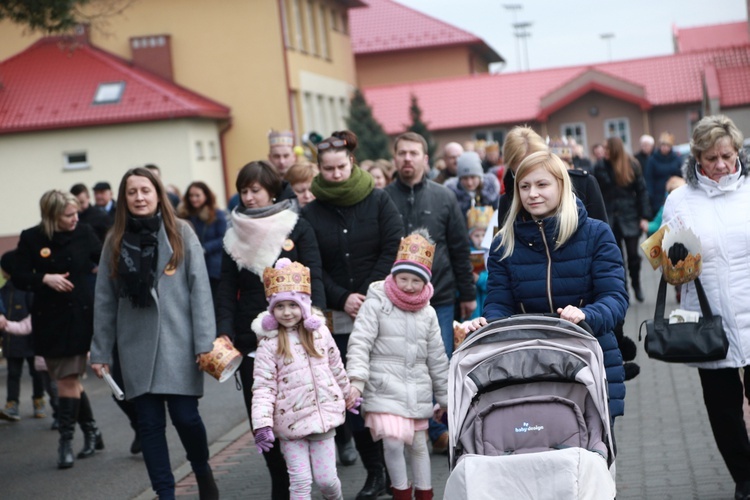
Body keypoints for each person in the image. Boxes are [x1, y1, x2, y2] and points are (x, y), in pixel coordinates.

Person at [90, 167, 219, 500]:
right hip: (135, 347)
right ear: (124, 199)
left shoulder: (181, 232)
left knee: (186, 418)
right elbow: (104, 299)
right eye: (132, 192)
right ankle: (165, 493)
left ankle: (202, 469)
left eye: (145, 190)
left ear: (157, 194)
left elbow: (200, 290)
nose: (139, 197)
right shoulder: (114, 240)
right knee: (149, 425)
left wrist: (205, 343)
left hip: (180, 342)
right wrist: (101, 351)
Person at [474, 151, 628, 421]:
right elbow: (499, 303)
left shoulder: (596, 234)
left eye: (542, 184)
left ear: (561, 185)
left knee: (591, 455)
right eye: (525, 186)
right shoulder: (504, 243)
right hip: (529, 367)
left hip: (587, 362)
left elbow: (614, 298)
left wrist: (586, 315)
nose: (532, 193)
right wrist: (490, 326)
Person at [302, 130, 403, 500]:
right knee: (353, 397)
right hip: (339, 316)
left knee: (388, 391)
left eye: (341, 166)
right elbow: (311, 265)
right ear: (319, 169)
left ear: (352, 163)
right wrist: (342, 297)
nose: (336, 174)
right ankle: (375, 472)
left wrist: (370, 291)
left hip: (381, 309)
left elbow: (393, 245)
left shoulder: (379, 200)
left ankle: (400, 471)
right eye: (327, 169)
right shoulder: (310, 213)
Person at [216, 160, 325, 500]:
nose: (249, 197)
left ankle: (307, 478)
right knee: (262, 414)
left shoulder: (296, 226)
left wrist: (316, 320)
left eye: (255, 190)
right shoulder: (232, 234)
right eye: (244, 191)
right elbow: (225, 289)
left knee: (301, 407)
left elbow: (314, 275)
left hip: (297, 333)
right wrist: (224, 331)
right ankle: (280, 481)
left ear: (272, 191)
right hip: (252, 338)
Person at [660, 115, 750, 500]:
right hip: (709, 322)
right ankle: (744, 477)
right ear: (697, 157)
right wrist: (673, 258)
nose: (720, 165)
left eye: (726, 156)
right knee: (724, 408)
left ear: (737, 152)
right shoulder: (680, 200)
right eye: (710, 157)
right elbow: (672, 271)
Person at [385, 131, 475, 455]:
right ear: (395, 158)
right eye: (402, 153)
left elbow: (459, 248)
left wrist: (467, 294)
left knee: (442, 362)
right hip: (395, 300)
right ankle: (429, 428)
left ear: (425, 159)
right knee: (408, 363)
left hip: (441, 296)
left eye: (413, 153)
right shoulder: (382, 198)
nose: (407, 159)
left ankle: (451, 425)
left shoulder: (443, 197)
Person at [346, 230, 449, 500]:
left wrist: (446, 398)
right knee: (392, 442)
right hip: (383, 385)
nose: (409, 286)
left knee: (418, 444)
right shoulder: (377, 302)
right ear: (393, 274)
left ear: (425, 281)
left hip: (416, 387)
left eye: (416, 280)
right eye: (403, 278)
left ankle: (425, 494)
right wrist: (357, 380)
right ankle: (401, 493)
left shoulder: (428, 312)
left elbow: (437, 356)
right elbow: (360, 342)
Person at [251, 259, 358, 499]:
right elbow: (263, 387)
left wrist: (347, 393)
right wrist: (262, 423)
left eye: (293, 305)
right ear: (271, 310)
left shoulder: (319, 333)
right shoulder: (268, 345)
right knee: (300, 483)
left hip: (321, 419)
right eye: (280, 306)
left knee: (327, 481)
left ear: (305, 306)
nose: (287, 312)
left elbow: (335, 365)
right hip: (290, 425)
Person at [13, 190, 103, 469]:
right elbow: (18, 275)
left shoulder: (85, 232)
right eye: (69, 215)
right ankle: (92, 431)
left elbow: (103, 260)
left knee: (66, 380)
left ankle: (65, 442)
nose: (76, 218)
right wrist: (45, 278)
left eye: (76, 212)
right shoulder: (31, 238)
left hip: (79, 317)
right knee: (70, 381)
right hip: (49, 320)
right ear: (52, 216)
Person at [481, 126, 608, 255]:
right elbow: (505, 254)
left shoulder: (583, 184)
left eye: (536, 164)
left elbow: (603, 244)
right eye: (522, 172)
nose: (532, 193)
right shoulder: (507, 201)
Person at [594, 137, 652, 302]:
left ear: (615, 150)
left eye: (607, 149)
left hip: (630, 215)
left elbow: (641, 191)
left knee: (633, 256)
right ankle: (623, 290)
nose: (603, 152)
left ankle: (637, 284)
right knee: (616, 257)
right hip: (610, 217)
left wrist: (644, 216)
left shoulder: (631, 164)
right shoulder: (599, 166)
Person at [0, 250, 46, 422]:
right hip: (11, 341)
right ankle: (12, 404)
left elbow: (34, 314)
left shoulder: (27, 290)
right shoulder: (3, 292)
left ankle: (38, 400)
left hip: (30, 340)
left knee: (36, 373)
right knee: (13, 373)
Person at [177, 181, 228, 304]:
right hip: (190, 263)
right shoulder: (184, 216)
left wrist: (204, 248)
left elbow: (223, 238)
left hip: (212, 265)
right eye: (191, 195)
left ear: (206, 196)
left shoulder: (216, 214)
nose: (194, 199)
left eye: (197, 195)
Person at [645, 132, 683, 214]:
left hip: (674, 192)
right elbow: (649, 179)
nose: (665, 148)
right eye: (663, 145)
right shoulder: (652, 160)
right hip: (658, 196)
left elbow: (681, 175)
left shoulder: (676, 158)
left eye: (667, 146)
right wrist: (650, 196)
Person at [466, 206, 493, 319]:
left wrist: (479, 279)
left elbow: (496, 281)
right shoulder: (466, 252)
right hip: (472, 305)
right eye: (476, 235)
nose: (480, 239)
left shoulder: (493, 252)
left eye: (484, 235)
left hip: (489, 304)